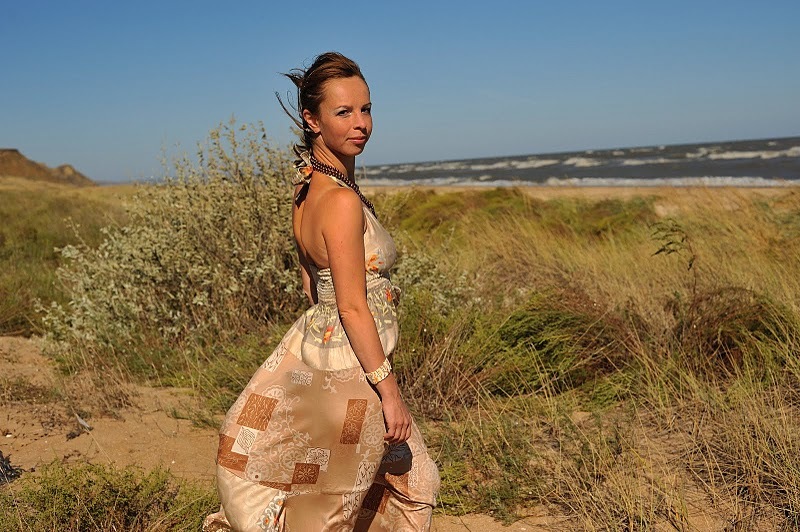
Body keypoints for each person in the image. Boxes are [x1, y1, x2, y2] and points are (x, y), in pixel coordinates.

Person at [204, 52, 440, 531]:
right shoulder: (340, 200)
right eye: (343, 112)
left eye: (366, 109)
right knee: (386, 494)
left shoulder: (308, 187)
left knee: (344, 495)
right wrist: (388, 391)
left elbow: (311, 288)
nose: (361, 123)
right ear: (312, 120)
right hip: (356, 374)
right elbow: (350, 306)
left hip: (331, 362)